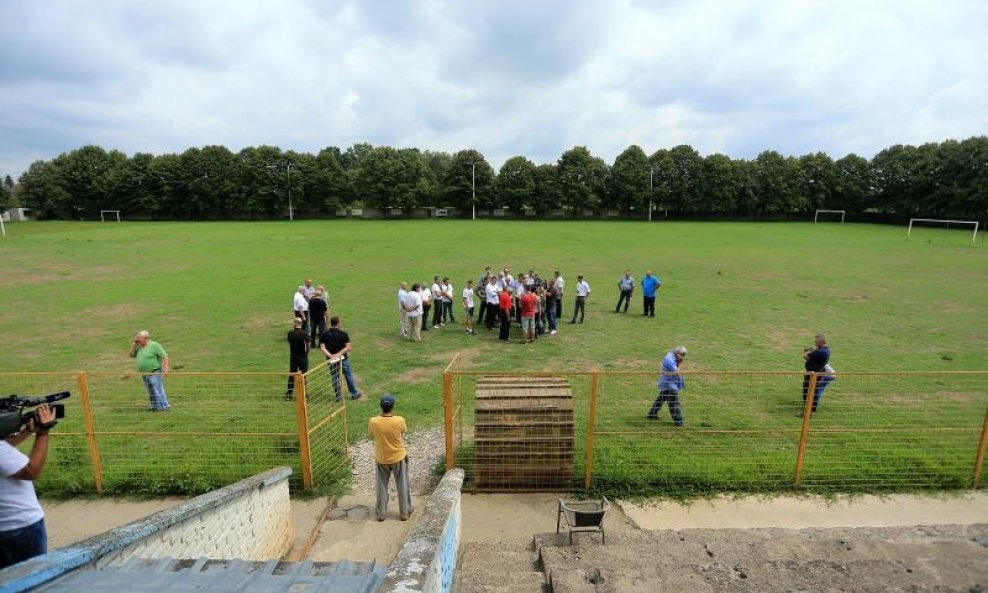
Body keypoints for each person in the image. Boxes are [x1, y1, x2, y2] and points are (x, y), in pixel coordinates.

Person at [0, 404, 56, 569]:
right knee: (32, 576)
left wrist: (27, 431)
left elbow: (5, 446)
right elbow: (31, 471)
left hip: (5, 526)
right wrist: (43, 432)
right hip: (20, 526)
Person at [368, 394, 413, 522]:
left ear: (381, 406)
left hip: (382, 458)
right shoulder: (399, 420)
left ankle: (381, 513)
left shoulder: (373, 421)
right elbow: (403, 432)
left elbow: (371, 434)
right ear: (393, 406)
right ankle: (405, 512)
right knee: (402, 485)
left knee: (381, 486)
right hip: (398, 457)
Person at [319, 316, 363, 401]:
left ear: (331, 323)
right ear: (338, 323)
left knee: (335, 377)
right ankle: (354, 393)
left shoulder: (325, 334)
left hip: (331, 359)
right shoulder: (343, 334)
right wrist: (338, 354)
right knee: (348, 375)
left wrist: (331, 356)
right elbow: (348, 347)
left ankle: (338, 396)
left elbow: (322, 347)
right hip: (343, 358)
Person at [129, 330, 171, 412]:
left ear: (145, 338)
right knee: (150, 390)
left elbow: (165, 356)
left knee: (157, 389)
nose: (136, 339)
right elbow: (131, 355)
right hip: (144, 373)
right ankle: (154, 406)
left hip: (155, 371)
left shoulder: (154, 345)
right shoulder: (139, 346)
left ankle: (165, 406)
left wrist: (166, 369)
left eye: (138, 338)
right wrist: (134, 346)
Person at [647, 346, 687, 426]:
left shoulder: (673, 356)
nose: (682, 356)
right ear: (677, 353)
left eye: (684, 355)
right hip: (669, 384)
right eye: (682, 354)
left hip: (667, 382)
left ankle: (652, 414)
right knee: (674, 403)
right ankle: (679, 422)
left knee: (661, 398)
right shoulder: (669, 359)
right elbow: (676, 372)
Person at [799, 334, 831, 417]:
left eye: (817, 342)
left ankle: (807, 411)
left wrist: (806, 352)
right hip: (817, 374)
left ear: (823, 342)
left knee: (807, 392)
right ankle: (812, 409)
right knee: (814, 391)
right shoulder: (825, 350)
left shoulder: (819, 352)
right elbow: (814, 354)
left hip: (812, 375)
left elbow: (805, 356)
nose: (815, 343)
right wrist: (811, 351)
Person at [286, 317, 309, 399]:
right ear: (301, 324)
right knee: (303, 375)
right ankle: (304, 394)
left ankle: (289, 394)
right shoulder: (305, 334)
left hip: (293, 357)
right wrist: (306, 353)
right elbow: (308, 345)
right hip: (303, 356)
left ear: (294, 324)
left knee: (292, 375)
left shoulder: (290, 333)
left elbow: (290, 342)